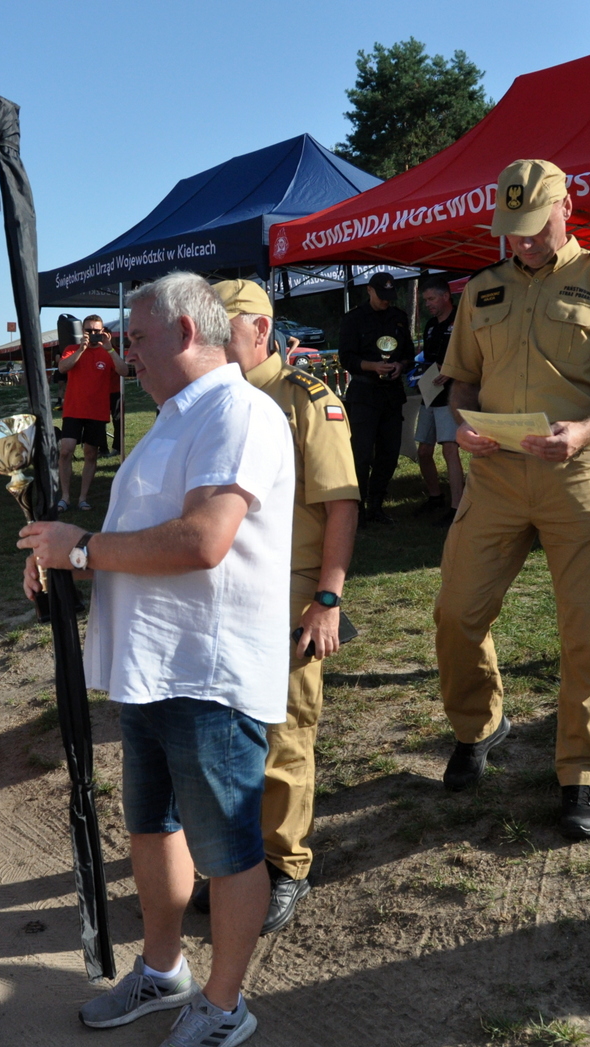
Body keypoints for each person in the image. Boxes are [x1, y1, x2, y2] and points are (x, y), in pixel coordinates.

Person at [19, 271, 294, 1047]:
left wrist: (84, 548)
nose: (123, 352)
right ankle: (166, 968)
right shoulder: (180, 416)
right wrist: (64, 553)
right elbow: (143, 534)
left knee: (229, 847)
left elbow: (203, 539)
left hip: (208, 669)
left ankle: (225, 1001)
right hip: (151, 666)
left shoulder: (239, 412)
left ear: (183, 329)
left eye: (135, 337)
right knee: (150, 826)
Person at [436, 159, 590, 839]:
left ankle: (582, 776)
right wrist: (464, 422)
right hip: (496, 477)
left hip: (578, 477)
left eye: (532, 228)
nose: (521, 242)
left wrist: (587, 428)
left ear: (568, 208)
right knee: (455, 613)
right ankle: (481, 726)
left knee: (584, 635)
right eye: (511, 232)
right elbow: (461, 381)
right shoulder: (482, 290)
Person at [196, 278, 358, 935]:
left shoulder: (302, 398)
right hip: (223, 584)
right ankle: (238, 859)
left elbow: (341, 502)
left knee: (284, 730)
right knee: (226, 733)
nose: (210, 343)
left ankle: (286, 865)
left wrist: (328, 598)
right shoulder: (212, 402)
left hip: (291, 586)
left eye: (223, 330)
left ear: (259, 329)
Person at [338, 271, 413, 523]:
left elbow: (409, 355)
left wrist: (400, 366)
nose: (386, 301)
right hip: (364, 395)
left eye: (390, 296)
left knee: (389, 452)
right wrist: (373, 366)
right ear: (369, 291)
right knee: (361, 453)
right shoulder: (354, 320)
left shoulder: (399, 318)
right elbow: (346, 358)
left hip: (391, 395)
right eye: (382, 296)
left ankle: (377, 504)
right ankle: (356, 509)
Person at [57, 315, 125, 511]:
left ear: (103, 332)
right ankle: (65, 496)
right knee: (65, 451)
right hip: (73, 409)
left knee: (91, 454)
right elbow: (63, 368)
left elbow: (123, 370)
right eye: (89, 331)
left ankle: (83, 498)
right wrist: (81, 349)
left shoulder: (108, 352)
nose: (93, 334)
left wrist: (110, 349)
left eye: (97, 331)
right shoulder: (72, 349)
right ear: (83, 331)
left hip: (97, 411)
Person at [410, 276, 462, 518]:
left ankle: (457, 507)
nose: (428, 304)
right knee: (423, 451)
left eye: (431, 299)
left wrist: (451, 370)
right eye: (425, 300)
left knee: (450, 450)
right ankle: (435, 497)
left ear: (445, 296)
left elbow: (475, 353)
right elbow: (428, 357)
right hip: (430, 392)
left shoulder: (461, 319)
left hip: (452, 395)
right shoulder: (431, 325)